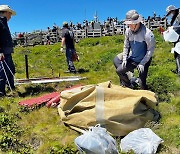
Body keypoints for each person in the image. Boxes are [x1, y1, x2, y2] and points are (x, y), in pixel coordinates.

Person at [113, 10, 155, 90]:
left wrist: (142, 63)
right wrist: (125, 59)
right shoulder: (128, 31)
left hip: (144, 60)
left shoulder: (148, 33)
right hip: (133, 59)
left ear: (137, 22)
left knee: (142, 84)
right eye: (128, 24)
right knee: (119, 70)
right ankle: (128, 84)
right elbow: (126, 46)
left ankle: (143, 90)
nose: (130, 26)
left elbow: (150, 51)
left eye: (131, 24)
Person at [0, 5, 16, 97]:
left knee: (10, 70)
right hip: (3, 52)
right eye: (10, 13)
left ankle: (11, 87)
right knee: (2, 72)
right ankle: (1, 92)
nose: (10, 16)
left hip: (7, 52)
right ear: (5, 12)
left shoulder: (4, 23)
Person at [165, 5, 180, 77]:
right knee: (176, 55)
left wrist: (173, 28)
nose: (170, 15)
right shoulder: (174, 18)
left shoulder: (179, 15)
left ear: (173, 10)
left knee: (179, 56)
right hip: (176, 40)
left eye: (170, 13)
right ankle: (178, 71)